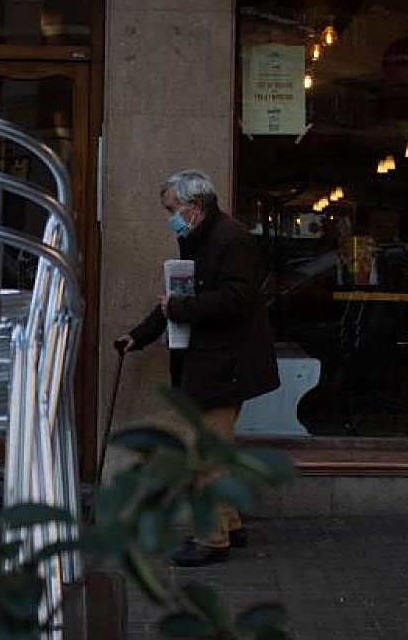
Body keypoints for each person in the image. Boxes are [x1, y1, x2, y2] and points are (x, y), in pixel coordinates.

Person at [116, 169, 280, 567]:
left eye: (172, 209)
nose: (169, 217)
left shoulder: (229, 239)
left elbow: (234, 299)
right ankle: (230, 525)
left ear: (196, 206)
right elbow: (177, 299)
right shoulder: (202, 237)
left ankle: (211, 538)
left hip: (224, 363)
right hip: (216, 361)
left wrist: (180, 308)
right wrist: (139, 335)